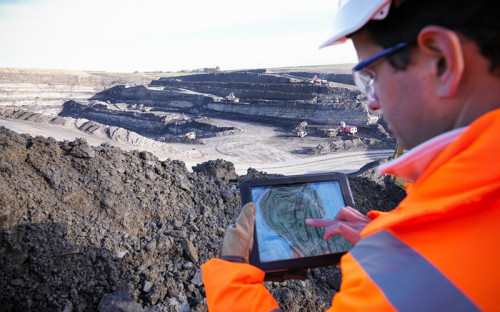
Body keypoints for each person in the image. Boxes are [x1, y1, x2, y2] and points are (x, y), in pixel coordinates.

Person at [201, 0, 500, 310]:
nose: (371, 103)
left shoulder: (399, 277)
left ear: (442, 61)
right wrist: (391, 234)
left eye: (370, 76)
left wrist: (233, 270)